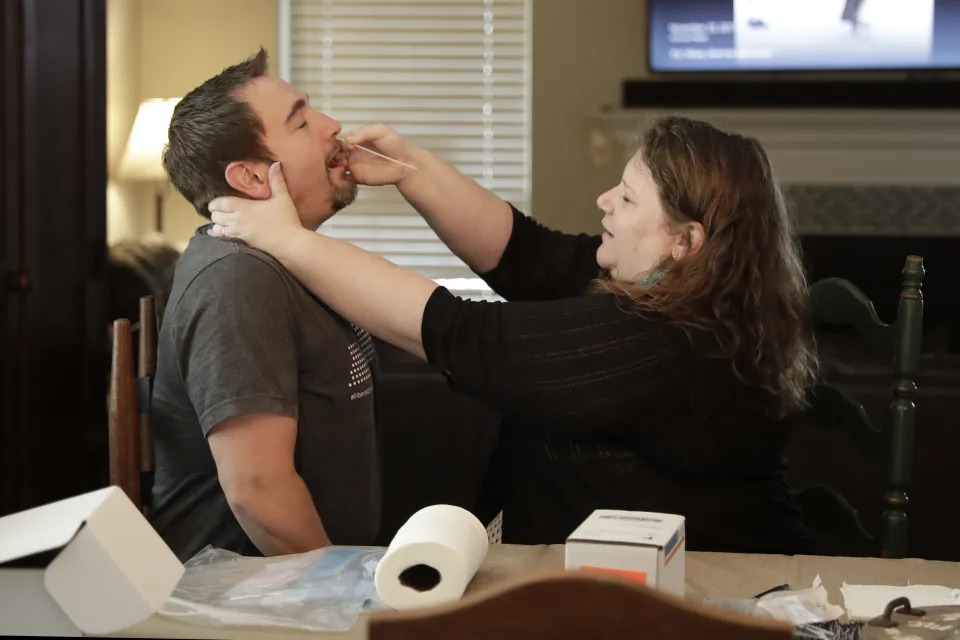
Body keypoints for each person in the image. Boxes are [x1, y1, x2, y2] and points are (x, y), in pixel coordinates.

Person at [209, 116, 819, 554]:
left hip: (706, 593)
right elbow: (527, 255)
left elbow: (464, 334)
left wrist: (289, 240)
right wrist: (408, 167)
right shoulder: (680, 283)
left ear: (685, 243)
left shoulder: (672, 337)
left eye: (628, 199)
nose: (604, 200)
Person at [149, 48, 381, 561]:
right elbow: (258, 491)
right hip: (251, 602)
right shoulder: (237, 280)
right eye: (301, 123)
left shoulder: (285, 259)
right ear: (252, 178)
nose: (332, 126)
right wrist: (341, 601)